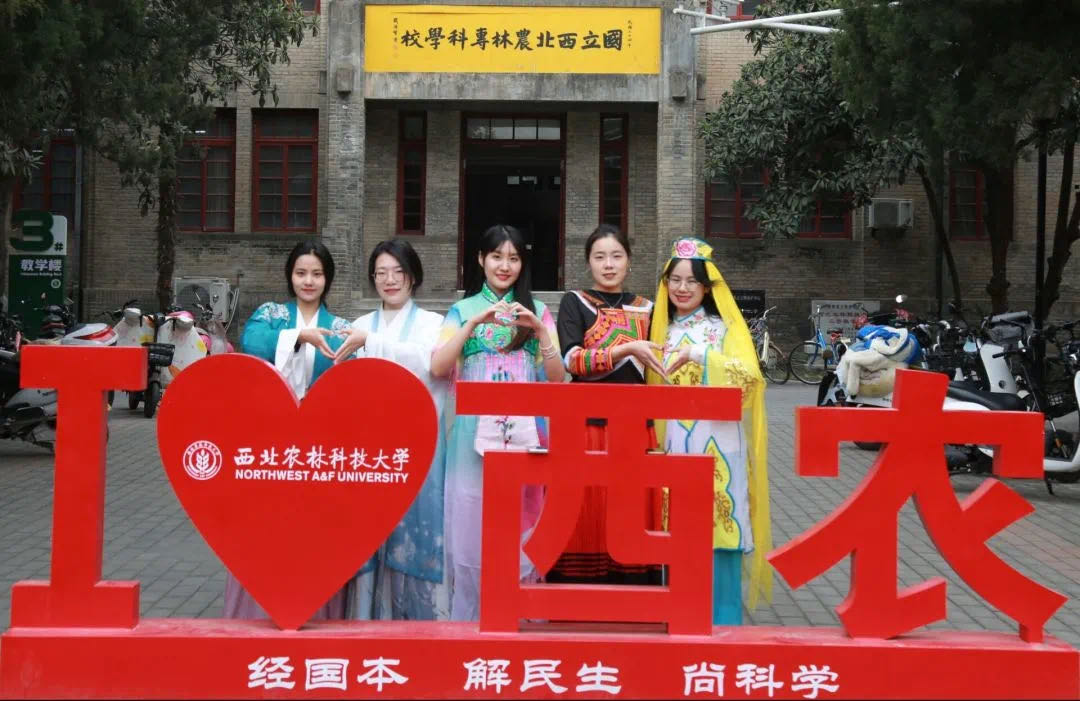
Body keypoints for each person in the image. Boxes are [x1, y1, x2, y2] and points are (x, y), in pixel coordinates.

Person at [430, 224, 566, 621]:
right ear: (480, 260)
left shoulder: (537, 311)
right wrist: (472, 324)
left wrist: (539, 330)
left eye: (513, 258)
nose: (504, 266)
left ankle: (517, 616)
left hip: (526, 433)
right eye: (496, 257)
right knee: (471, 520)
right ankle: (471, 621)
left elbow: (557, 378)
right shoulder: (462, 311)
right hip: (471, 436)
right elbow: (438, 366)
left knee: (521, 521)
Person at [646, 237, 772, 625]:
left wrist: (700, 355)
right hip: (674, 445)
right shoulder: (658, 332)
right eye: (675, 280)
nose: (682, 288)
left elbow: (750, 381)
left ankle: (724, 622)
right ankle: (680, 620)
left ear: (706, 287)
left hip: (719, 447)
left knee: (721, 528)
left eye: (691, 281)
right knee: (678, 532)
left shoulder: (723, 330)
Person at [224, 239, 351, 620]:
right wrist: (298, 336)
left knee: (315, 533)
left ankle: (314, 611)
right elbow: (251, 344)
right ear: (290, 276)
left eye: (317, 274)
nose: (308, 281)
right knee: (266, 529)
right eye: (301, 273)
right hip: (273, 438)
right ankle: (257, 612)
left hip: (319, 443)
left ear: (327, 279)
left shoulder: (340, 327)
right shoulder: (271, 314)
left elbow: (350, 381)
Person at [337, 239, 450, 620]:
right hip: (371, 451)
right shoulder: (358, 326)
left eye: (398, 272)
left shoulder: (434, 324)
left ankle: (420, 624)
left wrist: (374, 343)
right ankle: (366, 621)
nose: (390, 280)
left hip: (417, 448)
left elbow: (430, 365)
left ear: (412, 276)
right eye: (381, 273)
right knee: (370, 534)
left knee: (416, 531)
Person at [548, 224, 667, 585]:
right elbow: (572, 361)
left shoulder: (649, 308)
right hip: (587, 425)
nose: (609, 264)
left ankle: (634, 588)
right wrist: (626, 348)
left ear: (629, 261)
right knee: (586, 507)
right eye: (599, 257)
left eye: (616, 256)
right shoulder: (575, 302)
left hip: (635, 425)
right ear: (588, 263)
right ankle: (578, 590)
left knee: (630, 506)